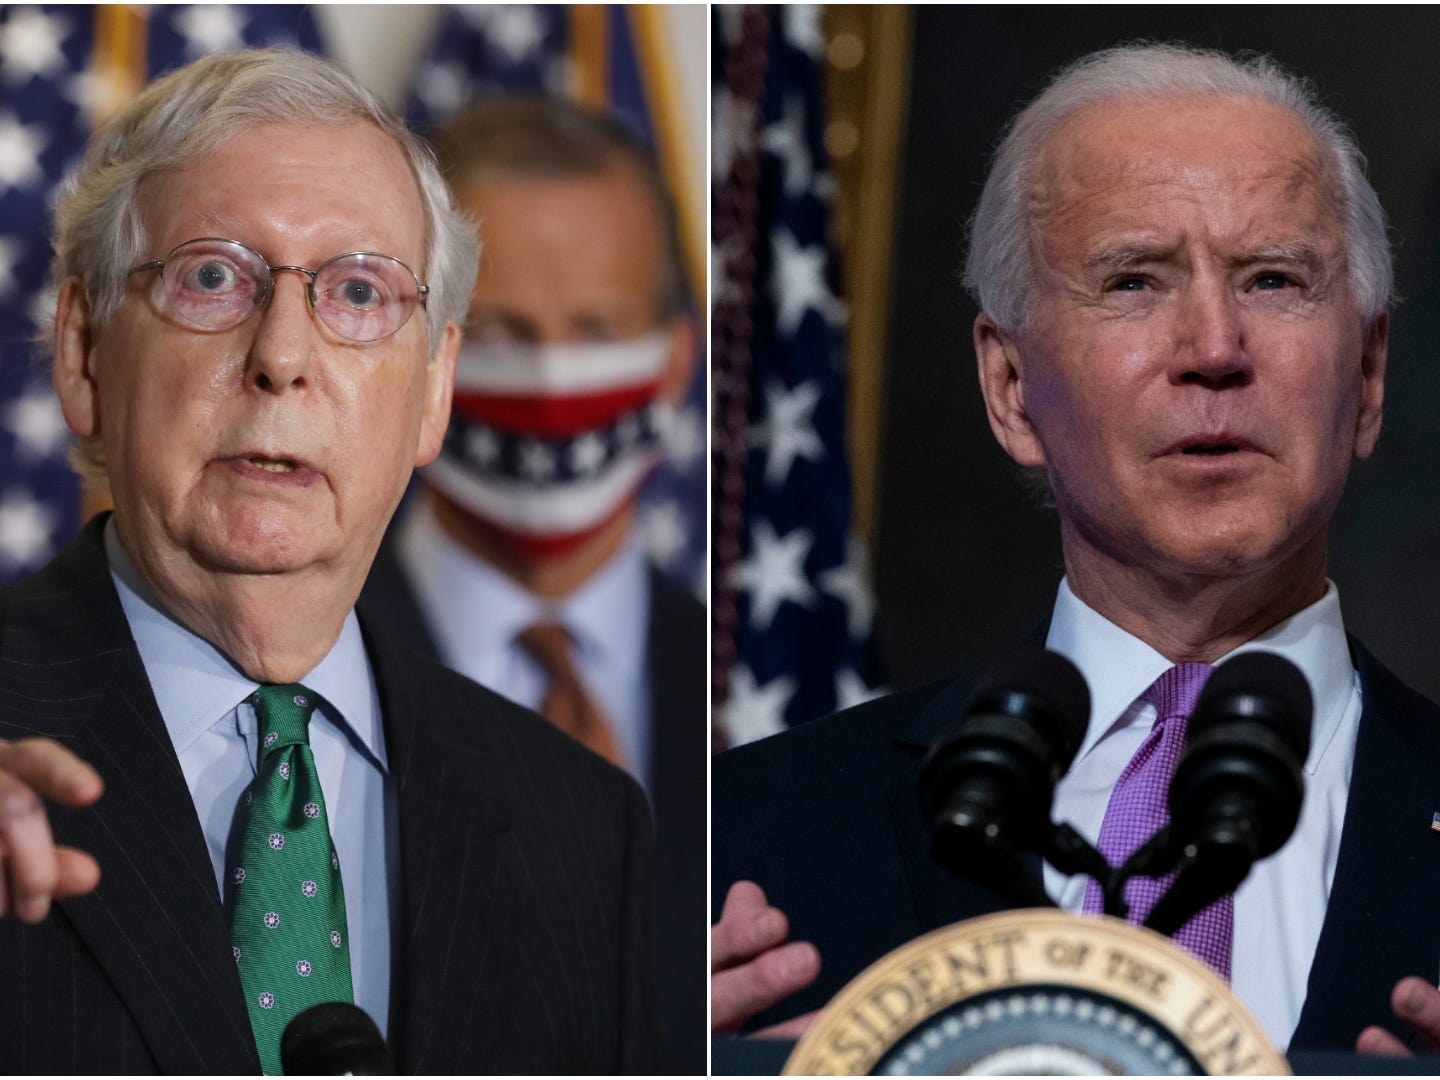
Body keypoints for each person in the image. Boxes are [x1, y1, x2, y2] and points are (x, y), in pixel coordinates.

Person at [713, 42, 1440, 1059]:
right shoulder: (745, 841)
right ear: (1011, 390)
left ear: (1366, 377)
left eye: (1273, 279)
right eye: (1134, 282)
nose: (1215, 349)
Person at [0, 48, 656, 1074]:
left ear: (433, 391)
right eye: (213, 277)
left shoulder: (583, 827)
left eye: (357, 292)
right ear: (85, 355)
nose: (284, 355)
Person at [356, 95, 704, 1074]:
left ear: (676, 360)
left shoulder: (754, 680)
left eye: (597, 329)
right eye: (502, 331)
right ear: (420, 354)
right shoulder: (283, 660)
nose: (555, 380)